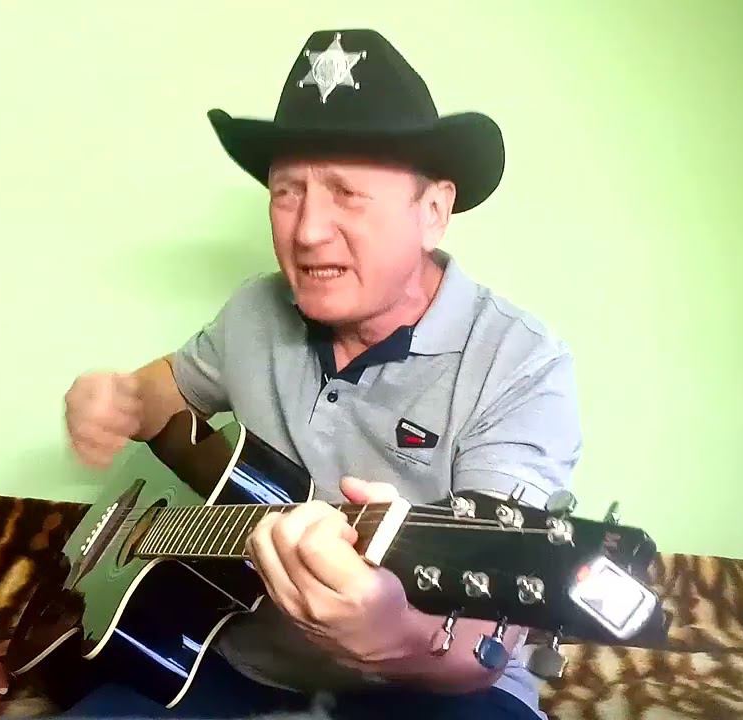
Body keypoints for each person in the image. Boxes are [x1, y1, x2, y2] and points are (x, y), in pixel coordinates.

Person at [63, 28, 582, 720]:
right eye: (287, 192)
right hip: (231, 661)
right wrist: (122, 399)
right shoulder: (256, 310)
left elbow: (486, 637)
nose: (306, 232)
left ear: (433, 212)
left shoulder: (521, 363)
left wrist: (394, 636)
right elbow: (168, 390)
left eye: (347, 192)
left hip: (438, 690)